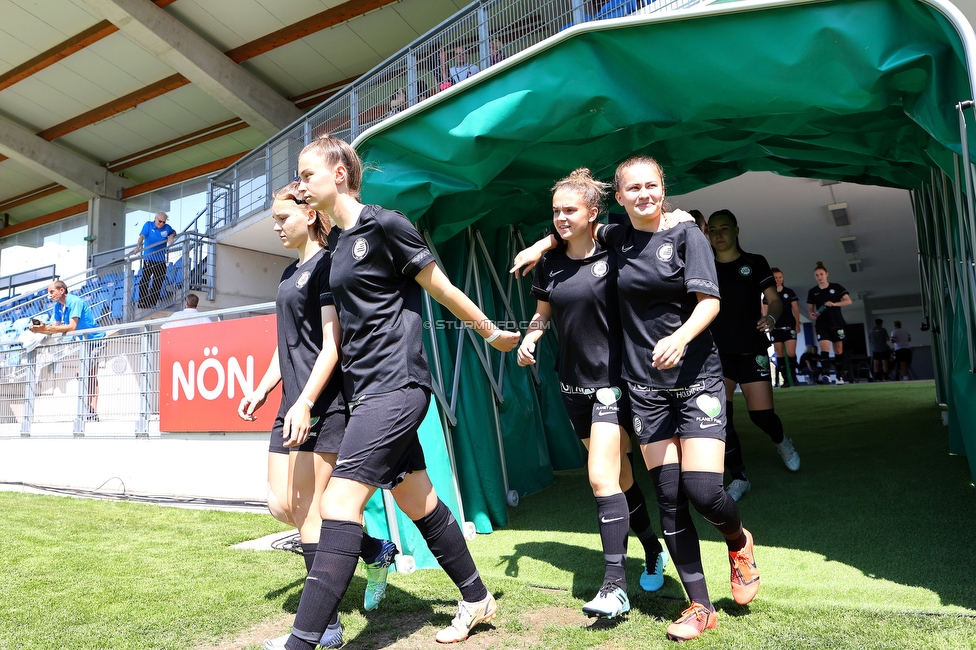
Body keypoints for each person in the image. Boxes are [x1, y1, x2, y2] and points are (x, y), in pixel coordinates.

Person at [270, 135, 519, 650]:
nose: (301, 184)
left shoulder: (386, 224)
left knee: (338, 503)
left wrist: (489, 331)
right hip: (365, 393)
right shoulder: (334, 248)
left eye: (308, 174)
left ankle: (305, 641)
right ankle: (476, 597)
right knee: (417, 499)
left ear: (339, 173)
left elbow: (441, 288)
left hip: (397, 386)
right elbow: (333, 335)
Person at [513, 157, 759, 642]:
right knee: (668, 499)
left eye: (652, 186)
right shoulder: (617, 237)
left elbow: (710, 302)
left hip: (698, 381)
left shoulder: (688, 235)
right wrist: (540, 243)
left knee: (704, 491)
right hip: (645, 390)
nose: (644, 194)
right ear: (620, 198)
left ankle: (738, 540)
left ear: (663, 189)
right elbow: (574, 227)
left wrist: (682, 337)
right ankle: (700, 606)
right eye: (633, 188)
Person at [239, 182, 398, 650]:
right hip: (290, 403)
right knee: (281, 504)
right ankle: (373, 549)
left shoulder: (330, 266)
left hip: (321, 403)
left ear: (309, 215)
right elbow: (284, 341)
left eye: (282, 217)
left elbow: (333, 345)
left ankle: (324, 629)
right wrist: (262, 389)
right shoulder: (289, 272)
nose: (276, 226)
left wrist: (307, 400)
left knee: (310, 513)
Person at [516, 169, 668, 620]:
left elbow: (649, 226)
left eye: (570, 210)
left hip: (614, 385)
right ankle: (651, 548)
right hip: (572, 386)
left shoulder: (616, 245)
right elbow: (544, 313)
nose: (562, 218)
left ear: (593, 212)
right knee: (618, 477)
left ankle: (614, 587)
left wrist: (543, 239)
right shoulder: (550, 263)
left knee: (600, 476)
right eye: (556, 212)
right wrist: (531, 338)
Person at [706, 211, 800, 503]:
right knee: (720, 418)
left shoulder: (754, 262)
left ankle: (781, 441)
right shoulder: (703, 264)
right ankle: (739, 477)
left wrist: (771, 318)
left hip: (751, 348)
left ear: (736, 230)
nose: (718, 234)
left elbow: (774, 300)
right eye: (713, 229)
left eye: (724, 228)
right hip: (717, 353)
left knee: (762, 416)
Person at [29, 281, 105, 420]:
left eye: (52, 292)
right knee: (89, 376)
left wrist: (46, 329)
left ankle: (89, 411)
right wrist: (40, 329)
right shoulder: (58, 306)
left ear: (62, 290)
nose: (49, 295)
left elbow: (72, 327)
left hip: (95, 340)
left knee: (83, 374)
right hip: (84, 341)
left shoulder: (74, 301)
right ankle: (91, 412)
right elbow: (54, 327)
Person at [807, 261, 853, 384]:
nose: (819, 277)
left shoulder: (836, 287)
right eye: (816, 275)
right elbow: (810, 308)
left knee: (838, 351)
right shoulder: (813, 291)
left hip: (837, 322)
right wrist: (811, 313)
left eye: (821, 274)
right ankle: (826, 374)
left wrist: (834, 304)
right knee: (824, 350)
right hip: (822, 324)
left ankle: (839, 375)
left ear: (827, 274)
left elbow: (848, 301)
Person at [765, 268, 802, 387]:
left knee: (791, 352)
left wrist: (797, 323)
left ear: (783, 278)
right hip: (776, 328)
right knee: (779, 353)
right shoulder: (769, 294)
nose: (778, 280)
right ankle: (785, 379)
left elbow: (796, 309)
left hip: (789, 326)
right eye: (775, 277)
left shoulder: (789, 292)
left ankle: (794, 376)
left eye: (780, 277)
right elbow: (765, 311)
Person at [133, 212, 176, 309]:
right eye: (159, 221)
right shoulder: (148, 225)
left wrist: (171, 236)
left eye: (163, 222)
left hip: (160, 259)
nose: (161, 224)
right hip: (149, 258)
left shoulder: (167, 227)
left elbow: (173, 232)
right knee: (145, 279)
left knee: (159, 281)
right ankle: (142, 301)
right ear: (155, 219)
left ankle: (152, 302)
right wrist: (138, 246)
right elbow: (142, 237)